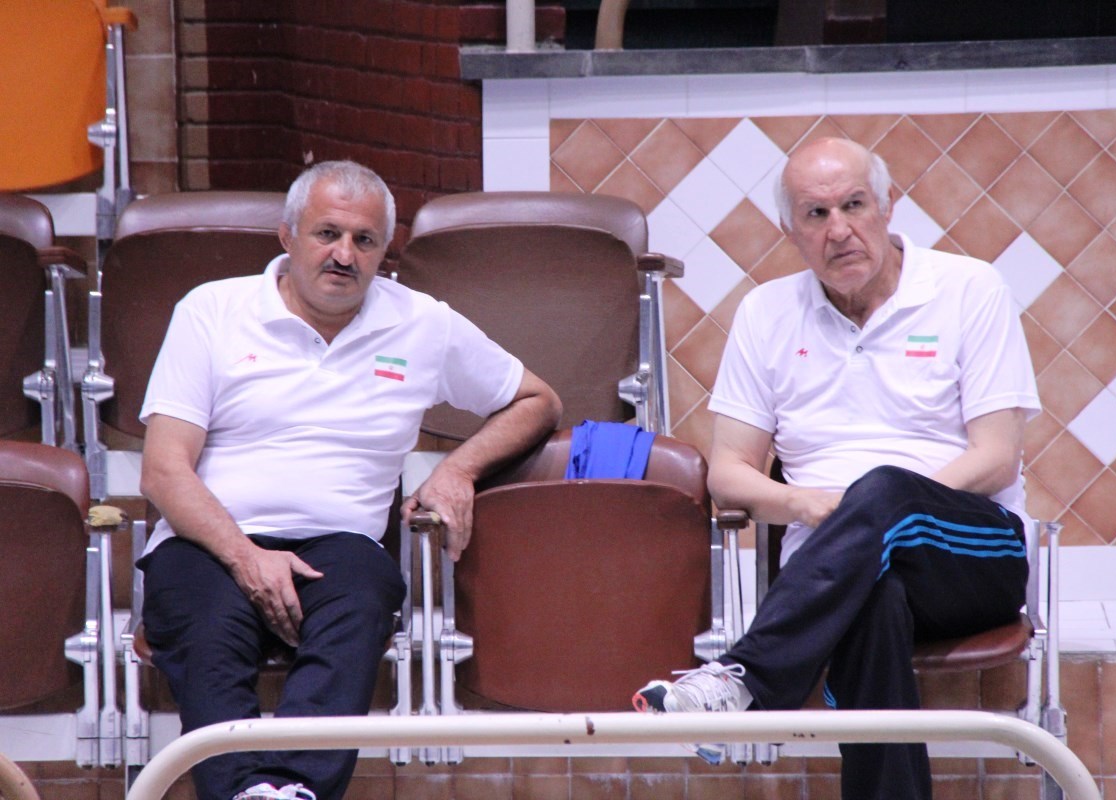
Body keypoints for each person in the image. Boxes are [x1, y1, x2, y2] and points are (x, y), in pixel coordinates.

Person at [137, 160, 562, 800]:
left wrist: (458, 469)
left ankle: (292, 791)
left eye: (364, 240)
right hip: (209, 539)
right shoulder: (213, 310)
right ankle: (244, 792)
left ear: (385, 251)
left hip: (341, 546)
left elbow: (537, 401)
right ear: (287, 236)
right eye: (327, 234)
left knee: (363, 598)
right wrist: (248, 557)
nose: (344, 255)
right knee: (208, 630)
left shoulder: (422, 323)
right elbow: (163, 468)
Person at [633, 137, 1040, 800]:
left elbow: (997, 456)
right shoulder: (766, 313)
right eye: (815, 214)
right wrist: (811, 506)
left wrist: (879, 505)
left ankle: (743, 680)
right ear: (789, 230)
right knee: (874, 601)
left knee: (883, 489)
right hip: (841, 565)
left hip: (968, 551)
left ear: (887, 206)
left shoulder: (969, 289)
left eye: (853, 205)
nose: (839, 229)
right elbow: (728, 474)